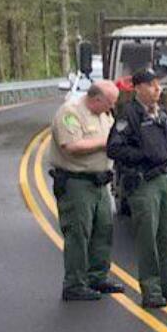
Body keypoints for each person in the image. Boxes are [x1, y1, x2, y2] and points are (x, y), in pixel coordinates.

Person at [106, 69, 167, 309]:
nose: (158, 89)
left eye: (159, 85)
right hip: (143, 181)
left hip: (165, 180)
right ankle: (151, 289)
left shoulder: (162, 114)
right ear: (138, 88)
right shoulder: (129, 115)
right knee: (148, 235)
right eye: (152, 85)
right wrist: (143, 155)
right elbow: (114, 149)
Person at [49, 80, 124, 301]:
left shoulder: (104, 115)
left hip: (101, 182)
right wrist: (105, 142)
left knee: (103, 229)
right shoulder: (70, 113)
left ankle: (97, 276)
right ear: (97, 98)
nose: (112, 107)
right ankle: (74, 283)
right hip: (77, 182)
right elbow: (71, 146)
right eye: (110, 102)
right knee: (79, 233)